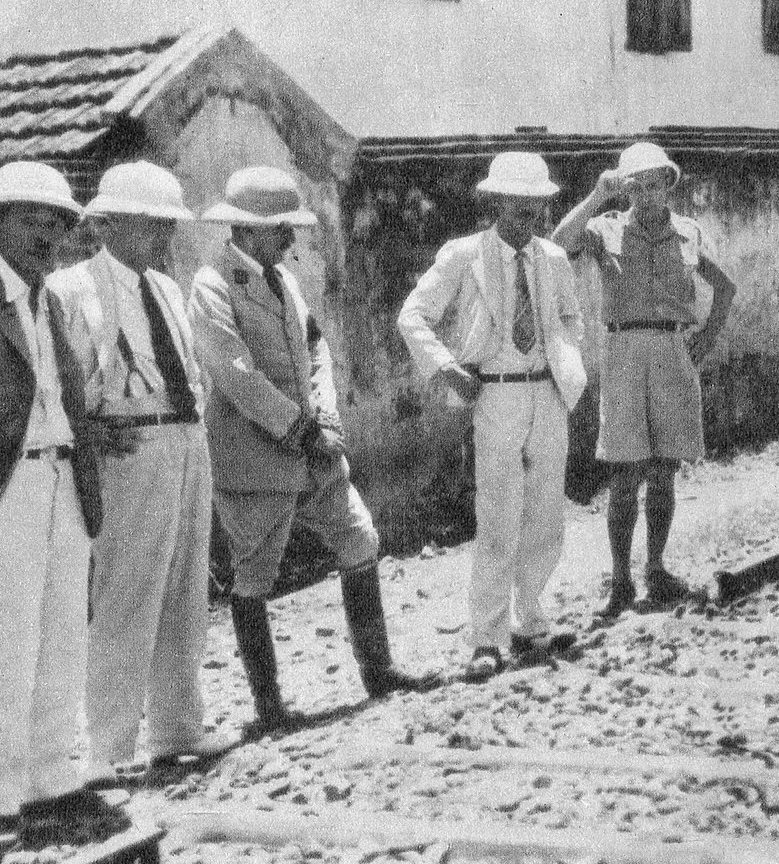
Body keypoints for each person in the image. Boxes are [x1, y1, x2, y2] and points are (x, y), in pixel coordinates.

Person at [188, 166, 432, 731]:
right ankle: (270, 707)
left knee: (360, 540)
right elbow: (233, 372)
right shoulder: (212, 285)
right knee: (253, 577)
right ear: (247, 232)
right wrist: (298, 427)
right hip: (254, 455)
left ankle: (379, 672)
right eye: (281, 230)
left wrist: (324, 416)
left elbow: (315, 348)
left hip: (317, 450)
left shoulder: (287, 283)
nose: (291, 240)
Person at [49, 161, 238, 782]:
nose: (161, 235)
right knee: (129, 591)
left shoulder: (164, 287)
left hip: (185, 439)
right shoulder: (72, 290)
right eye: (149, 223)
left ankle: (178, 727)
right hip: (129, 448)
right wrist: (87, 431)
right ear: (108, 223)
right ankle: (108, 745)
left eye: (166, 224)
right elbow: (58, 381)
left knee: (186, 588)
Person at [397, 151, 586, 683]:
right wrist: (446, 369)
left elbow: (570, 316)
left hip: (546, 393)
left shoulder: (553, 258)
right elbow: (413, 315)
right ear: (497, 202)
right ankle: (486, 636)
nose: (529, 215)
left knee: (546, 515)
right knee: (498, 515)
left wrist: (566, 358)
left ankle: (531, 621)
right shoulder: (465, 255)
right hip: (496, 394)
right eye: (518, 204)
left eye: (538, 205)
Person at [552, 141, 736, 617]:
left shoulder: (689, 232)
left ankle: (655, 568)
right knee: (624, 471)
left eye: (657, 184)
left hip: (673, 349)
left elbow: (726, 287)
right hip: (624, 350)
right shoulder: (604, 228)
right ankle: (620, 578)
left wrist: (706, 339)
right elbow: (557, 246)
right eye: (638, 185)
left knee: (663, 470)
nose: (648, 194)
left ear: (668, 185)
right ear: (626, 189)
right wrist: (596, 196)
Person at [0, 161, 126, 842]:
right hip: (11, 483)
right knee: (7, 636)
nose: (44, 232)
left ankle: (51, 777)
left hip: (63, 479)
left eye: (56, 223)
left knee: (60, 633)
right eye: (29, 218)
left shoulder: (47, 300)